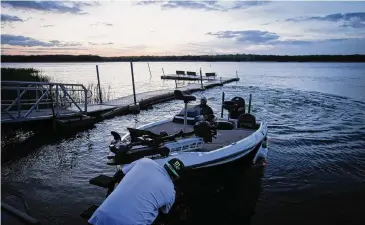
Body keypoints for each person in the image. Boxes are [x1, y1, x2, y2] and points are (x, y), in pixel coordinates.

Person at [88, 158, 185, 225]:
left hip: (100, 216)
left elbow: (119, 174)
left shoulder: (145, 162)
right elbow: (165, 212)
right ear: (176, 178)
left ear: (165, 164)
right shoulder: (171, 192)